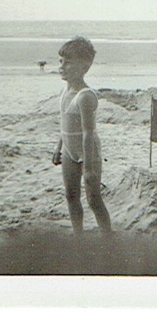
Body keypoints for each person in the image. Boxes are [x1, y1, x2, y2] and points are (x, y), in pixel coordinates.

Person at [52, 36, 112, 233]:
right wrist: (58, 148)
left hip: (88, 152)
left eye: (68, 63)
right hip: (69, 151)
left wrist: (88, 166)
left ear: (84, 67)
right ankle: (79, 235)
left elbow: (88, 133)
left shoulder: (85, 96)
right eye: (61, 61)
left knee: (93, 199)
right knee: (71, 195)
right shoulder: (65, 91)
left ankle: (107, 235)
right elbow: (64, 124)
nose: (62, 66)